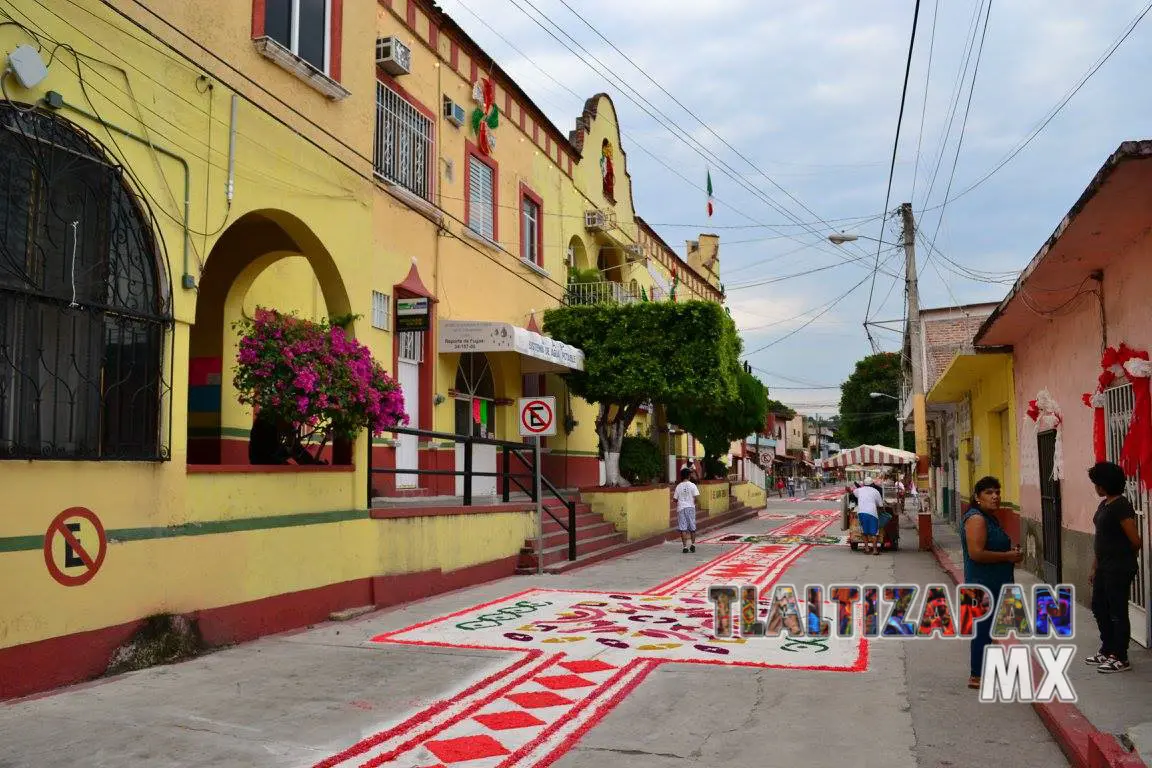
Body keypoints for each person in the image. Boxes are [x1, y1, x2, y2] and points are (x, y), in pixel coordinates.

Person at [960, 476, 1023, 690]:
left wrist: (1010, 554)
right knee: (983, 628)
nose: (995, 496)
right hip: (983, 583)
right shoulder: (977, 519)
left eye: (997, 492)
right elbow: (976, 554)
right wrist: (1007, 556)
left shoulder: (990, 518)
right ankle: (977, 675)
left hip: (996, 581)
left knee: (992, 629)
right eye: (989, 492)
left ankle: (989, 669)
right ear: (977, 497)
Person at [1085, 461, 1144, 673]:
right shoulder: (1104, 505)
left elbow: (1135, 540)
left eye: (1096, 483)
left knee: (1117, 611)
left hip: (1118, 568)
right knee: (1099, 606)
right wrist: (1095, 567)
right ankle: (1107, 648)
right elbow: (1101, 540)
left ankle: (1121, 656)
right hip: (1103, 566)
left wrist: (1123, 558)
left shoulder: (1121, 506)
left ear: (1104, 484)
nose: (1095, 487)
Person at [851, 478, 884, 555]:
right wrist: (882, 512)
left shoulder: (859, 490)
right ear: (872, 484)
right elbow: (880, 505)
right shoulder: (876, 491)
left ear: (864, 484)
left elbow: (853, 493)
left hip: (861, 512)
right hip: (872, 513)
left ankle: (866, 548)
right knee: (874, 532)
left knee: (863, 531)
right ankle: (875, 550)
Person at [674, 467, 700, 554]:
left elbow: (674, 499)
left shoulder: (678, 486)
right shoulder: (693, 485)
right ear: (689, 476)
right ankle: (693, 545)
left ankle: (685, 547)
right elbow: (696, 497)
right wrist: (693, 502)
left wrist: (680, 500)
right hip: (690, 508)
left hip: (681, 508)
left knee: (683, 528)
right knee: (692, 527)